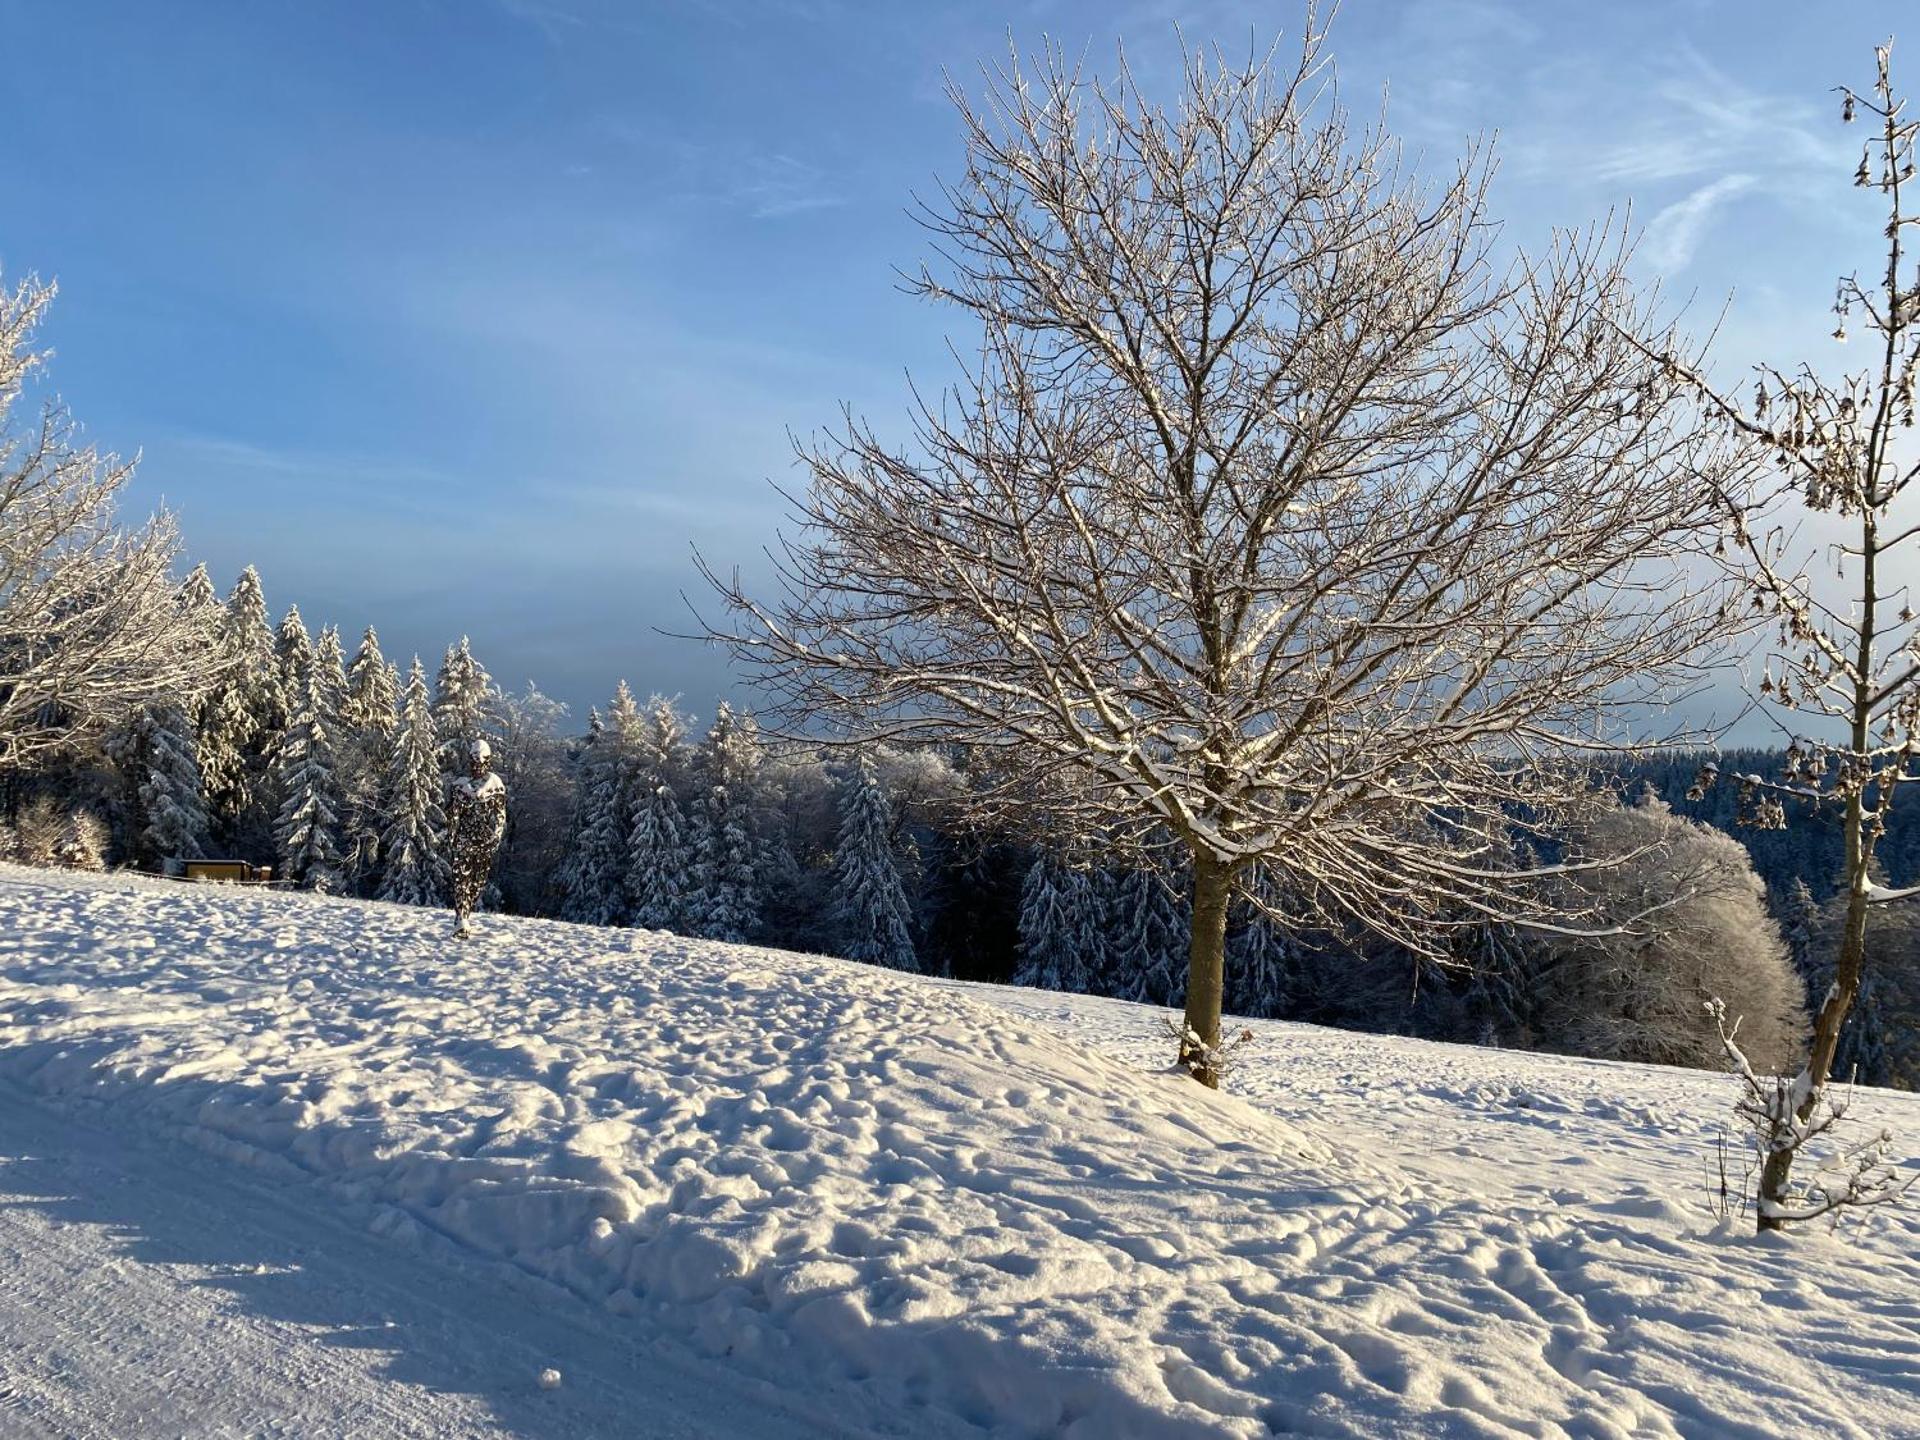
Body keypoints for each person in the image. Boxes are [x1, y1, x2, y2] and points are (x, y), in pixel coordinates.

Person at [445, 737, 506, 936]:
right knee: (461, 880)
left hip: (484, 841)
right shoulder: (459, 786)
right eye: (474, 760)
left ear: (487, 761)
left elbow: (500, 816)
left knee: (477, 883)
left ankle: (466, 913)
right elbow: (452, 815)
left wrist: (495, 837)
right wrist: (452, 838)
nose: (477, 764)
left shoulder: (495, 785)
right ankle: (461, 918)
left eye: (481, 761)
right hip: (464, 839)